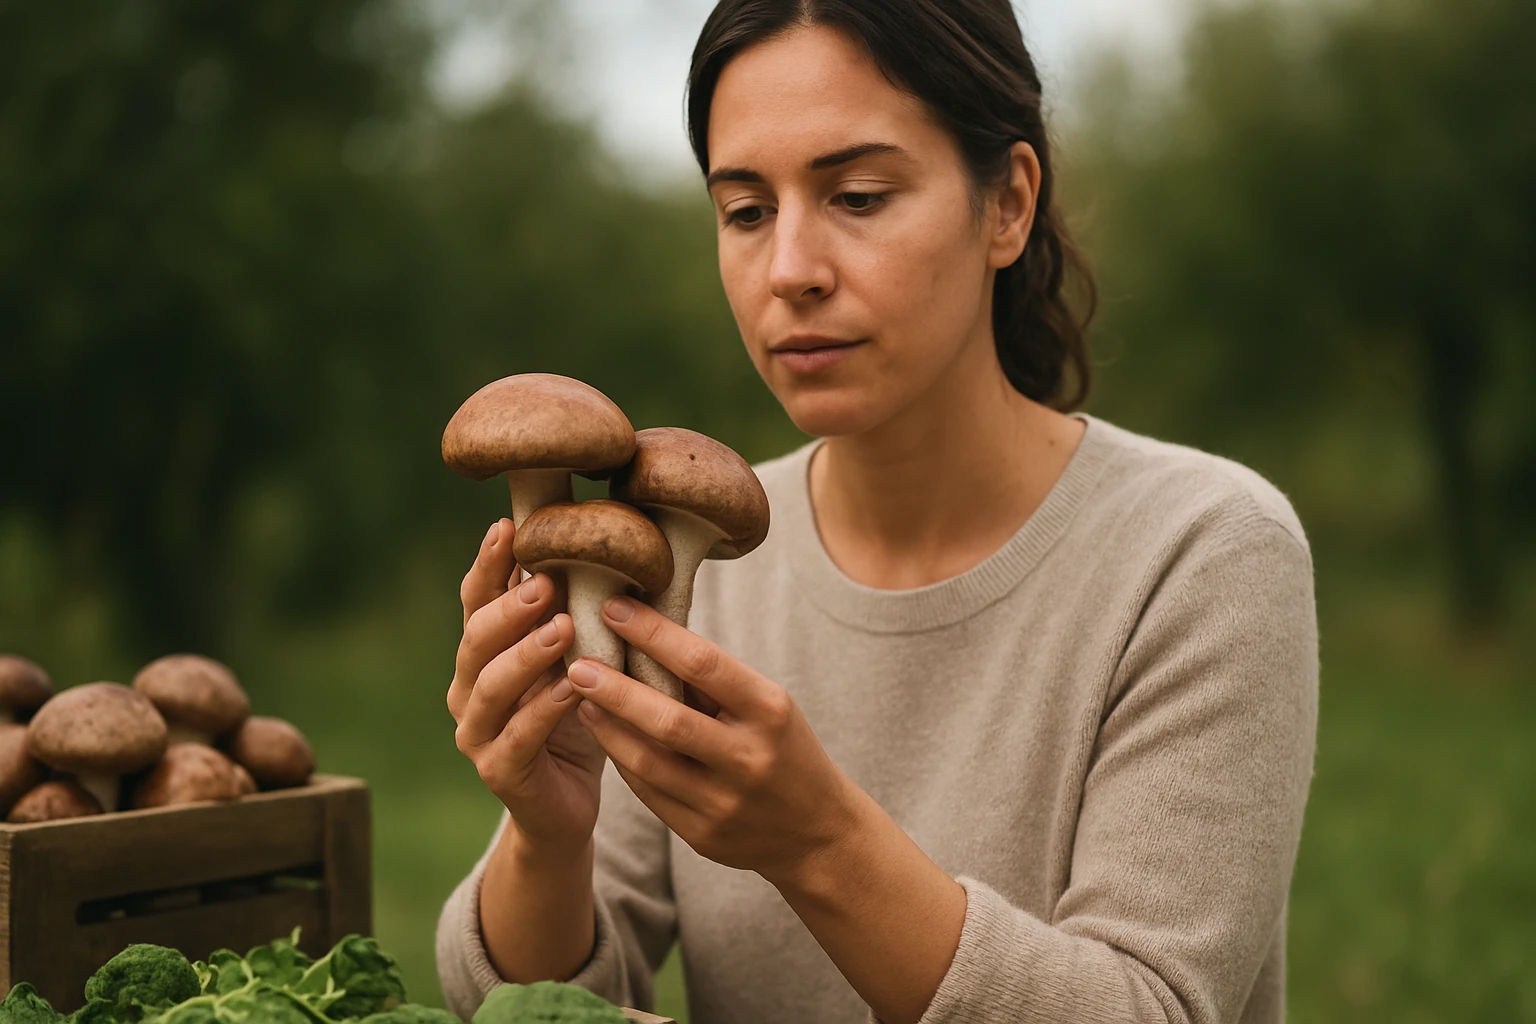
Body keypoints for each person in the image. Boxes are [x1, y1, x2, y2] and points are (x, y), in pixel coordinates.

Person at [436, 1, 1318, 1022]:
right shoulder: (688, 556)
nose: (790, 271)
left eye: (856, 195)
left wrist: (818, 843)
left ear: (1008, 205)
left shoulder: (1203, 552)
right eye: (747, 211)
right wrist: (549, 837)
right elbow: (531, 1001)